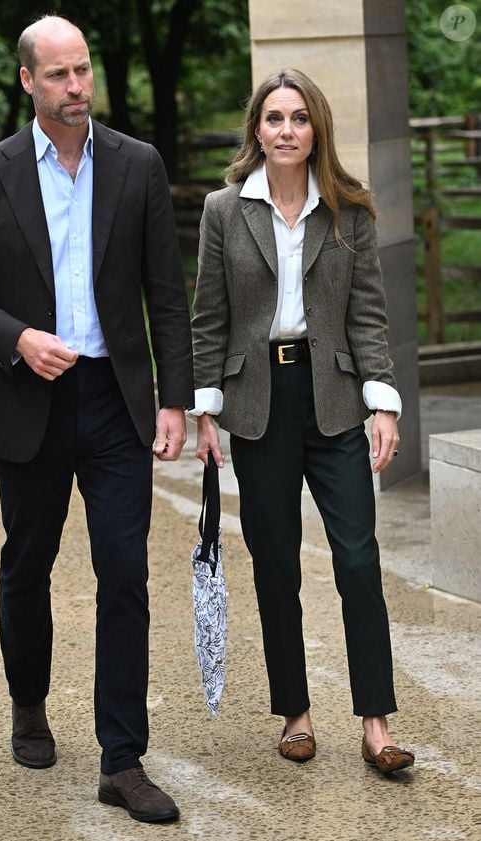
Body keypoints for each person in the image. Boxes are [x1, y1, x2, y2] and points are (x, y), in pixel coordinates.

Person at [0, 15, 192, 823]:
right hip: (31, 401)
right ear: (27, 81)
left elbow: (165, 291)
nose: (76, 86)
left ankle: (122, 757)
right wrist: (15, 337)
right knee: (29, 563)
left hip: (117, 403)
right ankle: (28, 701)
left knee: (125, 573)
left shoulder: (138, 164)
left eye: (82, 71)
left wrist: (175, 399)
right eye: (58, 75)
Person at [191, 69, 415, 775]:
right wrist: (205, 410)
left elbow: (369, 314)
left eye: (298, 118)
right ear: (256, 128)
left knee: (357, 558)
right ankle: (296, 713)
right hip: (257, 403)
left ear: (316, 128)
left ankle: (375, 723)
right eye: (273, 117)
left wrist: (383, 401)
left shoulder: (348, 209)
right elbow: (209, 318)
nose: (286, 130)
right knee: (276, 563)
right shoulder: (224, 211)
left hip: (338, 396)